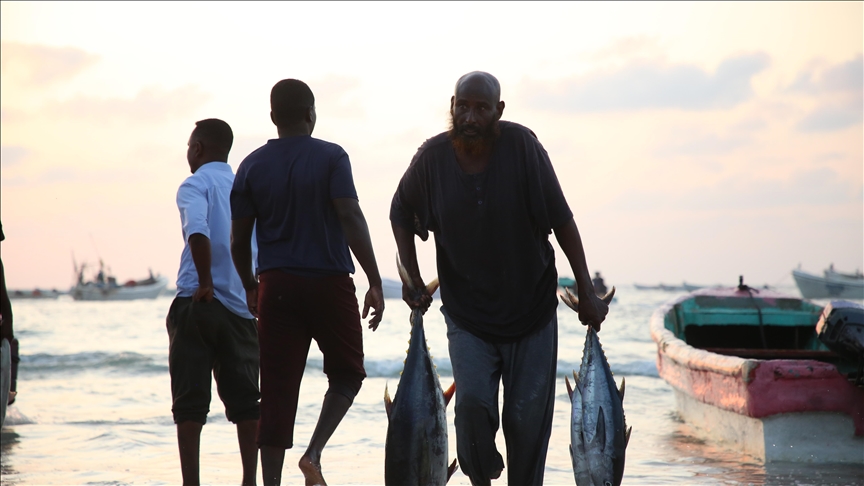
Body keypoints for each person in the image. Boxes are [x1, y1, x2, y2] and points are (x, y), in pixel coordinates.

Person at [390, 71, 609, 486]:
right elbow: (400, 210)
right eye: (463, 106)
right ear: (452, 106)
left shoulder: (523, 147)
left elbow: (562, 220)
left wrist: (586, 289)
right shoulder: (432, 158)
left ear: (499, 111)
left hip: (532, 313)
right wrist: (411, 276)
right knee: (471, 406)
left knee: (527, 424)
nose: (470, 117)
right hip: (467, 316)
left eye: (481, 108)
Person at [230, 79, 385, 486]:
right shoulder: (332, 157)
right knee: (348, 373)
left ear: (273, 117)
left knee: (276, 391)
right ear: (311, 114)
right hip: (329, 282)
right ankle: (313, 454)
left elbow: (238, 240)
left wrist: (250, 285)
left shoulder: (250, 166)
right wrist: (374, 279)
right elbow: (350, 216)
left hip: (276, 286)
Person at [168, 119, 260, 486]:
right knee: (247, 403)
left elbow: (198, 230)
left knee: (190, 404)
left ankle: (192, 483)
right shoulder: (243, 187)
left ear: (198, 148)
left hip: (199, 300)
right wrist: (253, 290)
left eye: (189, 147)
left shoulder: (195, 184)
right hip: (240, 306)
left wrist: (205, 282)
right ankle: (250, 480)